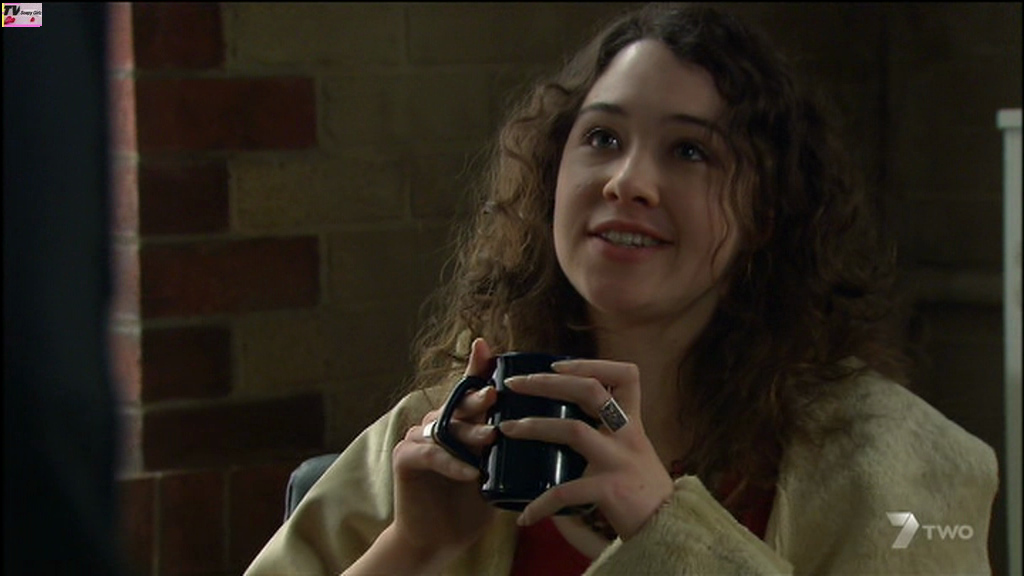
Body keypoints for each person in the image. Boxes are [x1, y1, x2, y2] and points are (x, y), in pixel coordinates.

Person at [246, 4, 998, 574]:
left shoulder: (898, 462)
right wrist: (413, 546)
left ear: (767, 215)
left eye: (690, 151)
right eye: (603, 138)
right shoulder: (436, 433)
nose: (628, 181)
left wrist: (662, 522)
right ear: (551, 177)